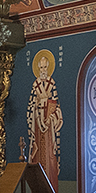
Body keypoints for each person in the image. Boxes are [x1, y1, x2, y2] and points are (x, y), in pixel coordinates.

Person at [25, 52, 61, 183]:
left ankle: (50, 184)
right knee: (38, 153)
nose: (43, 70)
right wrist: (35, 108)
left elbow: (56, 105)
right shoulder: (36, 85)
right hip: (38, 124)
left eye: (45, 67)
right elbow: (30, 105)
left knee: (50, 153)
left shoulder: (52, 83)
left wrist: (51, 117)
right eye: (41, 68)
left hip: (49, 125)